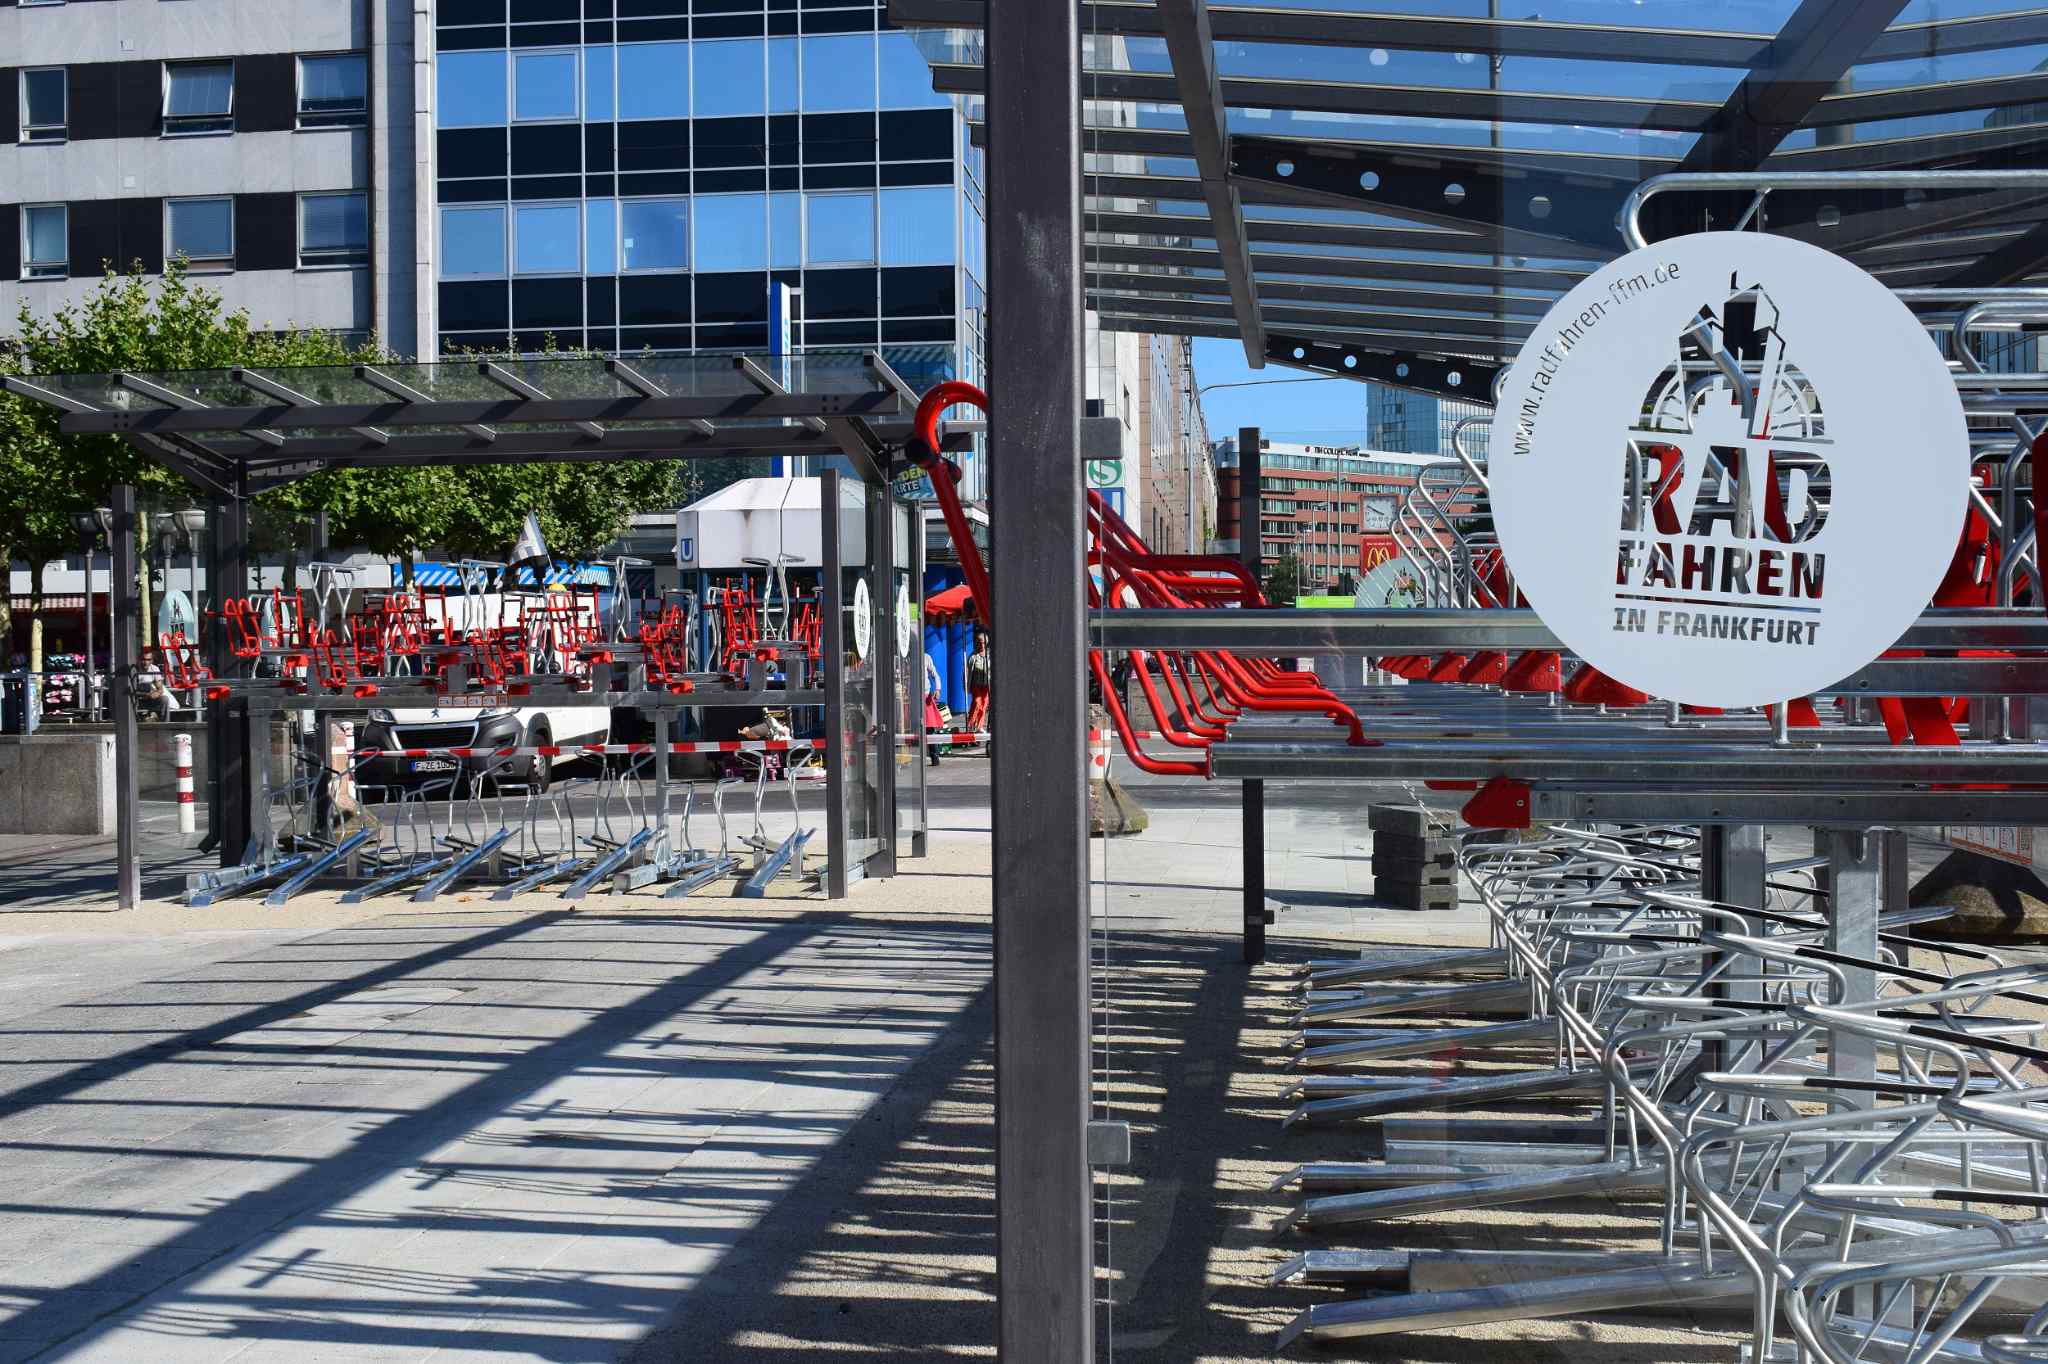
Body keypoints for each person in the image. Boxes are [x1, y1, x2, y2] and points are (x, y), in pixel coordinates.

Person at [965, 629, 990, 736]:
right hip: (976, 684)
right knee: (977, 702)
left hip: (986, 684)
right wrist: (966, 685)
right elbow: (966, 671)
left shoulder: (989, 655)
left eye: (983, 642)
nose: (981, 644)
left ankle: (979, 726)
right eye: (979, 642)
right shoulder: (973, 656)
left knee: (984, 705)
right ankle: (971, 724)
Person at [923, 649, 945, 766]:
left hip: (926, 697)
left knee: (930, 729)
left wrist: (937, 689)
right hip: (910, 696)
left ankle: (934, 757)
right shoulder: (904, 657)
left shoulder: (926, 657)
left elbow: (935, 675)